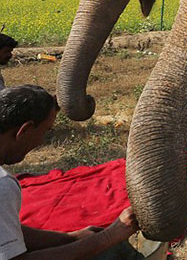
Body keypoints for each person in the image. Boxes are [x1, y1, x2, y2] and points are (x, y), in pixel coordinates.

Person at [0, 85, 139, 260]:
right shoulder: (3, 186)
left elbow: (6, 231)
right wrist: (109, 237)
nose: (41, 141)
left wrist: (70, 238)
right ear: (25, 130)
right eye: (45, 131)